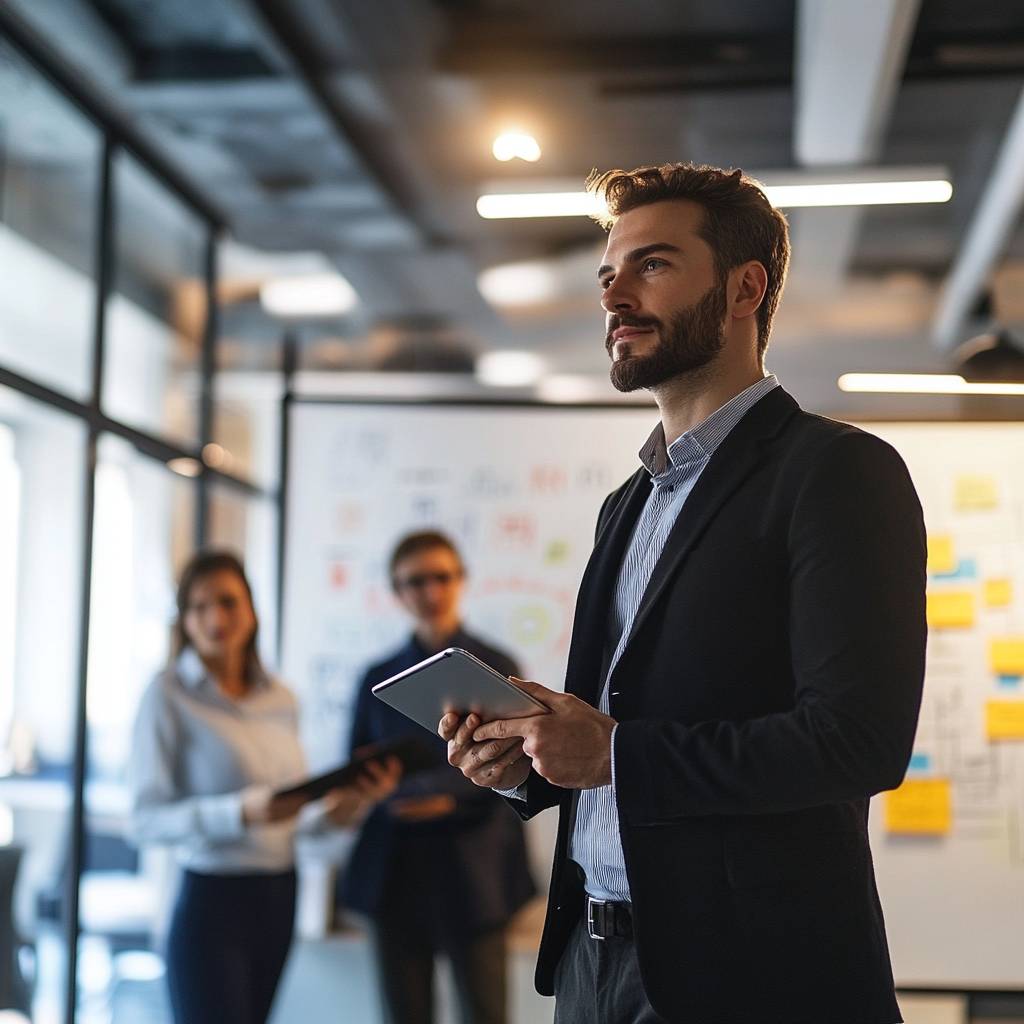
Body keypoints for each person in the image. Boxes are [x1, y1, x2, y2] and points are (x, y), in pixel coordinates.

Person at [442, 163, 928, 1024]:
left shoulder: (838, 473)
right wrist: (531, 759)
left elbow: (859, 742)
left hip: (749, 977)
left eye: (652, 265)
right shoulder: (625, 505)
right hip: (592, 964)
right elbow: (620, 719)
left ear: (745, 289)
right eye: (607, 274)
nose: (615, 295)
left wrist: (617, 755)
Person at [130, 550, 399, 1024]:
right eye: (199, 606)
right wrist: (238, 812)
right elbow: (145, 820)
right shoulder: (167, 695)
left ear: (251, 611)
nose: (216, 617)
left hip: (279, 893)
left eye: (229, 602)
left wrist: (346, 808)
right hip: (212, 900)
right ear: (184, 620)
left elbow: (292, 821)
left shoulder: (282, 697)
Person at [341, 530, 535, 1024]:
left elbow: (524, 769)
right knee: (403, 1013)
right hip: (397, 869)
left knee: (485, 1012)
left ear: (460, 580)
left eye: (441, 577)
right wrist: (374, 792)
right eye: (414, 581)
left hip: (474, 869)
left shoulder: (496, 666)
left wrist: (447, 800)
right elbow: (357, 766)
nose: (429, 591)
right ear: (396, 590)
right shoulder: (377, 677)